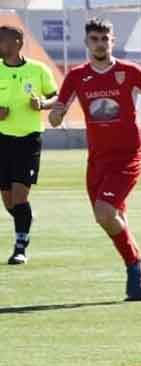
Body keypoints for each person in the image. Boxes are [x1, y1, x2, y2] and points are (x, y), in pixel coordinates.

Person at [49, 17, 141, 300]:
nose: (100, 44)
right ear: (87, 42)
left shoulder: (129, 71)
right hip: (97, 160)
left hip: (127, 156)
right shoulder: (76, 76)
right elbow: (59, 110)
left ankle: (133, 266)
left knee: (105, 212)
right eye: (94, 40)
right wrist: (54, 114)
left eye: (105, 39)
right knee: (113, 218)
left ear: (113, 41)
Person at [0, 25, 58, 264]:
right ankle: (25, 218)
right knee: (8, 200)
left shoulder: (38, 70)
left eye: (1, 40)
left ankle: (20, 246)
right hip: (2, 140)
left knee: (20, 196)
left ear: (17, 42)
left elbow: (56, 97)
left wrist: (43, 104)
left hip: (29, 140)